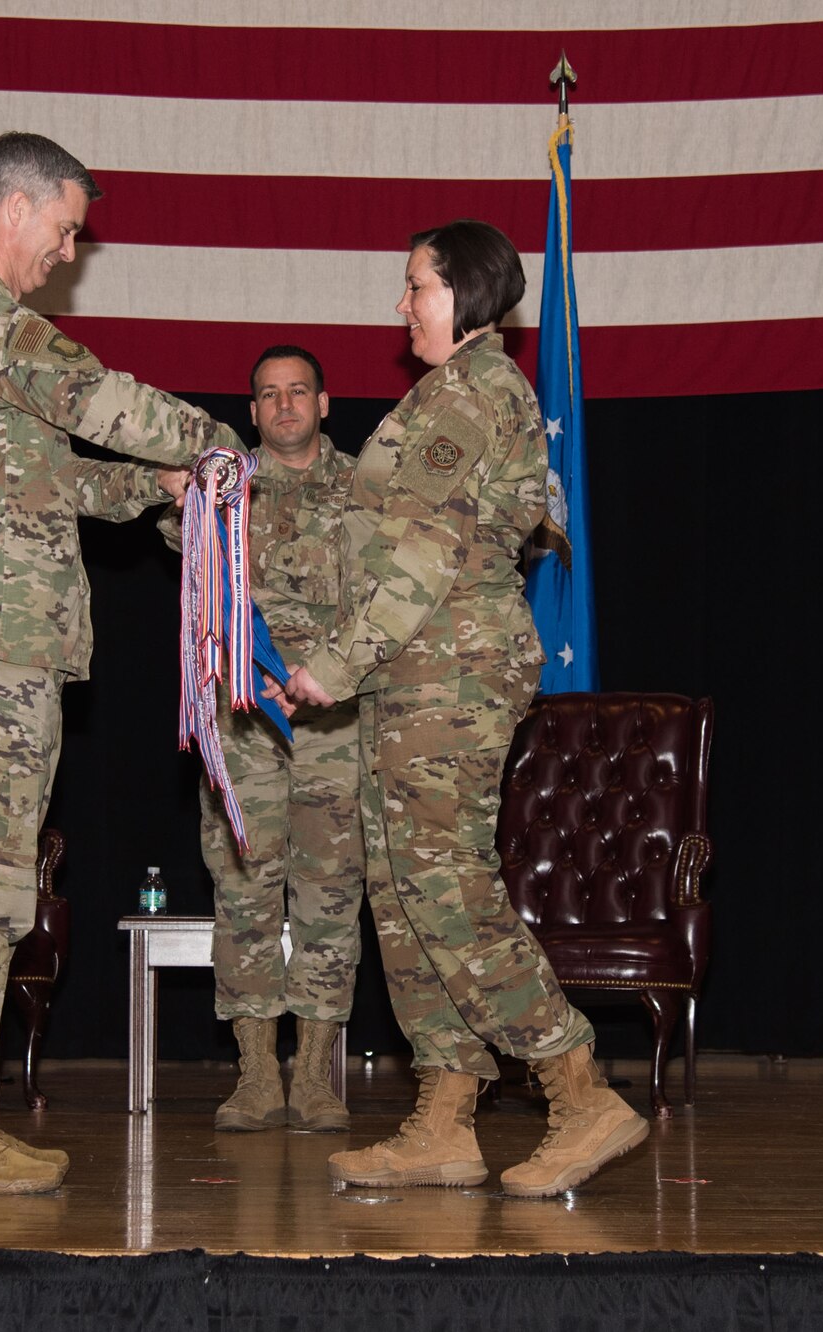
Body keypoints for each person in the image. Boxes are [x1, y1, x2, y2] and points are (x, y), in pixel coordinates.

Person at [273, 220, 649, 1197]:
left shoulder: (470, 392)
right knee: (402, 898)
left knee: (442, 886)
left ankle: (577, 1090)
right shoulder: (443, 395)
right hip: (413, 666)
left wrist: (335, 665)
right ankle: (443, 1116)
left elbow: (427, 555)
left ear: (466, 293)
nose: (399, 304)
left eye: (414, 286)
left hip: (446, 663)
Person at [0, 131, 241, 1194]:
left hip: (3, 649)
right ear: (15, 207)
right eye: (64, 226)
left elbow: (66, 481)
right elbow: (102, 403)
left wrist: (157, 490)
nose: (68, 249)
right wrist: (207, 443)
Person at [159, 347, 362, 1133]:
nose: (283, 406)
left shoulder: (367, 489)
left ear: (324, 401)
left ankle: (312, 1076)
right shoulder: (221, 492)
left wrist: (327, 670)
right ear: (251, 411)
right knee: (243, 890)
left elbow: (391, 595)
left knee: (330, 894)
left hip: (333, 718)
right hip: (244, 720)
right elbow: (187, 572)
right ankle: (254, 1075)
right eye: (268, 395)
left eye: (298, 392)